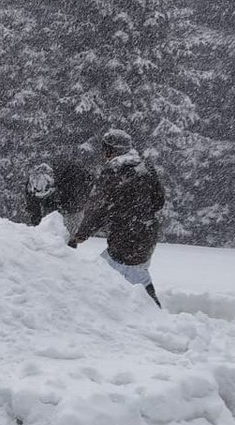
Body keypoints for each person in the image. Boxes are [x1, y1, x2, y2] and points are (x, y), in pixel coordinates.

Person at [66, 129, 167, 308]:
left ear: (110, 150)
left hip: (126, 235)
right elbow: (159, 201)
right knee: (137, 273)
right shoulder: (145, 167)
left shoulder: (113, 171)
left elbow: (99, 209)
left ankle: (106, 313)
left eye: (105, 150)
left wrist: (79, 236)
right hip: (148, 231)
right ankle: (149, 310)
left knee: (104, 274)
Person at [23, 141, 103, 236]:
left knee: (69, 234)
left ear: (53, 185)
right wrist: (37, 223)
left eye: (46, 193)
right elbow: (32, 206)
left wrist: (65, 208)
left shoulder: (74, 179)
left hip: (74, 202)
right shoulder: (33, 183)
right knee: (47, 229)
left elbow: (79, 199)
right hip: (55, 200)